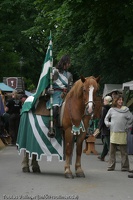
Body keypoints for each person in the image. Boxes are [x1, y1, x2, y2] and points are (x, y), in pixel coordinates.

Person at [46, 55, 73, 138]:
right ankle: (52, 127)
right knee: (55, 108)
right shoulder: (54, 71)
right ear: (64, 63)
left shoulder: (69, 75)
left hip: (65, 94)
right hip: (55, 93)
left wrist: (66, 92)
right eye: (68, 63)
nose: (69, 65)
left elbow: (70, 87)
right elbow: (47, 83)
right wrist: (48, 90)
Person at [104, 94, 133, 171]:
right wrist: (109, 124)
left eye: (121, 100)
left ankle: (125, 167)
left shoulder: (126, 110)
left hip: (123, 133)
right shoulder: (112, 110)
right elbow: (106, 119)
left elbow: (131, 119)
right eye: (119, 100)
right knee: (112, 151)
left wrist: (127, 126)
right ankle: (111, 166)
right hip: (113, 132)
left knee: (123, 152)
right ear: (115, 101)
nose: (121, 101)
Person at [98, 96, 112, 161]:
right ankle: (102, 156)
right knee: (106, 144)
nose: (103, 102)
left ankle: (111, 158)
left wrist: (99, 128)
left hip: (106, 128)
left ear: (107, 101)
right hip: (110, 127)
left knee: (108, 144)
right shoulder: (111, 108)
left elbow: (102, 119)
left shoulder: (104, 109)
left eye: (104, 101)